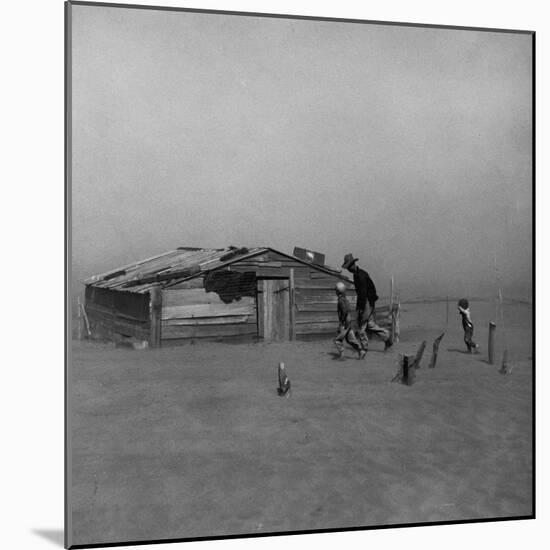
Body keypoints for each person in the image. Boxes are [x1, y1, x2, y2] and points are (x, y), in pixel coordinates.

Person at [342, 253, 393, 352]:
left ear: (352, 265)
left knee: (361, 327)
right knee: (370, 325)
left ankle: (364, 349)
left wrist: (361, 309)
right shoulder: (358, 274)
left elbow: (363, 294)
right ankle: (387, 337)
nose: (348, 269)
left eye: (348, 267)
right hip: (368, 301)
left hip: (367, 302)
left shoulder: (360, 276)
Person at [334, 282, 366, 360]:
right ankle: (361, 351)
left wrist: (343, 323)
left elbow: (345, 311)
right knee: (350, 340)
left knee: (337, 340)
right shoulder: (345, 300)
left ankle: (342, 355)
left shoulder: (341, 301)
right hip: (348, 322)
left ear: (338, 291)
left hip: (345, 323)